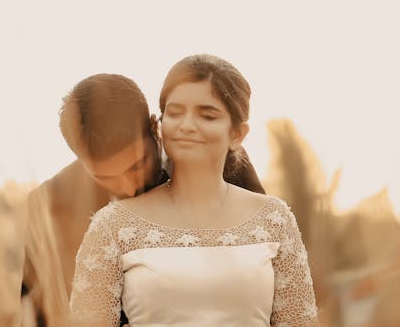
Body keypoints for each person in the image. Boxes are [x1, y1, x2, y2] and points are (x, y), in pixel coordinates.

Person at [69, 55, 317, 326]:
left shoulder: (274, 219)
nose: (187, 125)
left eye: (207, 115)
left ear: (237, 134)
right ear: (160, 124)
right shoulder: (112, 224)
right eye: (175, 113)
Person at [22, 73, 265, 326]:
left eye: (137, 165)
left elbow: (263, 271)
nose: (128, 187)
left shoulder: (220, 159)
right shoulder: (47, 207)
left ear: (154, 127)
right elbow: (36, 314)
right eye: (105, 177)